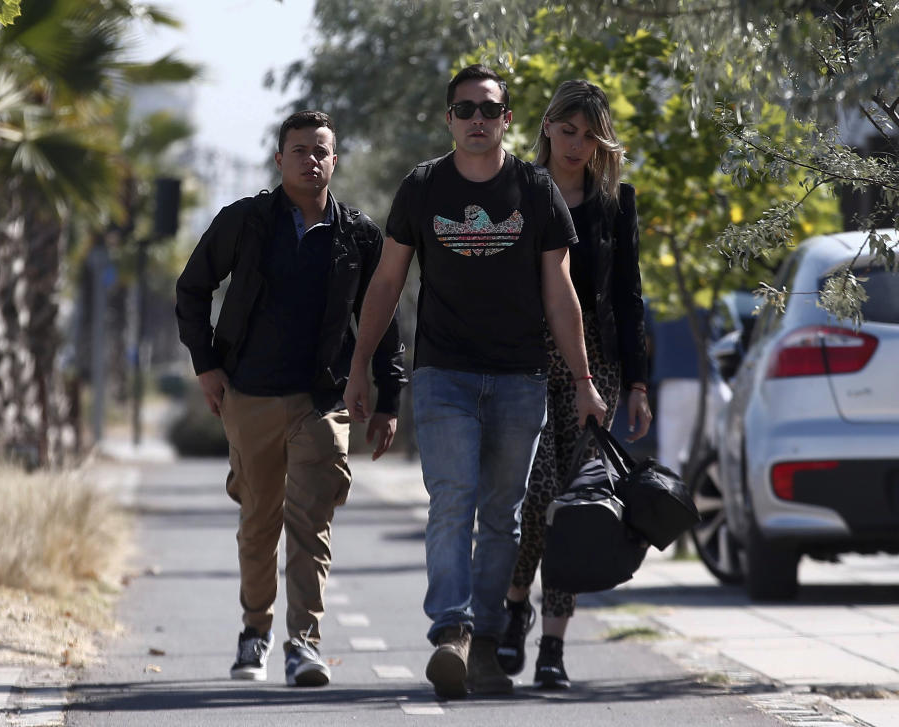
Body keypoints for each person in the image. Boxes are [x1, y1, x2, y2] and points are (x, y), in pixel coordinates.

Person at [343, 65, 608, 699]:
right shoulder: (423, 187)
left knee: (502, 517)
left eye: (488, 109)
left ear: (508, 120)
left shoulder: (536, 189)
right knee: (453, 502)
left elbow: (561, 292)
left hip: (520, 377)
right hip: (444, 375)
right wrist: (360, 367)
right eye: (464, 110)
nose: (477, 120)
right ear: (449, 119)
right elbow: (386, 283)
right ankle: (451, 633)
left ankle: (485, 642)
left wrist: (583, 380)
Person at [174, 110, 406, 687]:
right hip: (248, 394)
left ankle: (305, 644)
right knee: (259, 523)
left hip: (321, 399)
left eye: (321, 150)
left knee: (311, 526)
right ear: (280, 160)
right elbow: (192, 288)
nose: (312, 160)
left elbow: (381, 318)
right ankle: (256, 631)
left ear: (336, 159)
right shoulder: (246, 221)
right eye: (299, 150)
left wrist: (388, 397)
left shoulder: (359, 234)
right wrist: (206, 367)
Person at [497, 80, 652, 689]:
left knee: (578, 509)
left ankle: (554, 649)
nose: (577, 144)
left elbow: (629, 296)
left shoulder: (616, 203)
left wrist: (637, 384)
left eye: (589, 135)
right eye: (568, 130)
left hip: (598, 371)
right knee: (535, 499)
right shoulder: (518, 193)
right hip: (529, 366)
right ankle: (515, 610)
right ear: (546, 128)